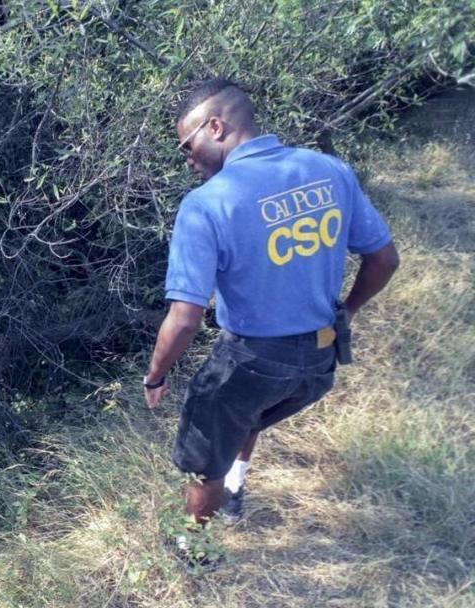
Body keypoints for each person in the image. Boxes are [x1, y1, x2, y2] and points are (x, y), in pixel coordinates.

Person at [143, 78, 400, 531]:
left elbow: (184, 319)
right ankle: (238, 489)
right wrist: (348, 312)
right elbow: (383, 258)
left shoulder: (206, 205)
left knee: (205, 457)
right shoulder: (329, 169)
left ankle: (194, 551)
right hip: (321, 362)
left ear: (216, 127)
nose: (187, 159)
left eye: (187, 145)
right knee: (250, 413)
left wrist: (156, 375)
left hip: (254, 357)